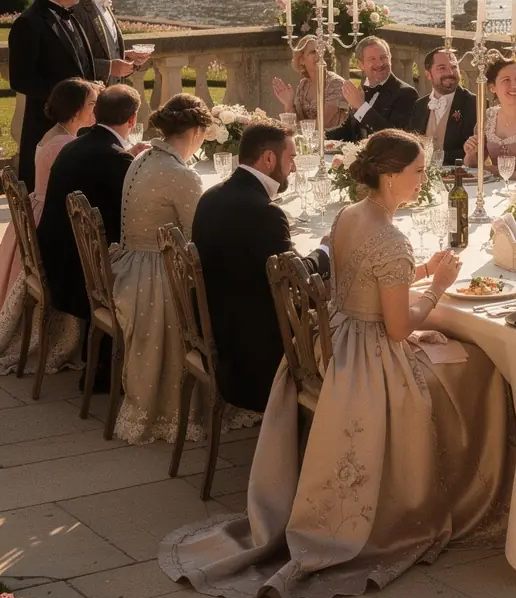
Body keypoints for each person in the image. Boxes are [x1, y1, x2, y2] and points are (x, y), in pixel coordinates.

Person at [159, 130, 514, 598]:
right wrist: (438, 286)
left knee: (449, 352)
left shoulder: (350, 214)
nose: (423, 180)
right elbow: (397, 328)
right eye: (418, 171)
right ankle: (461, 498)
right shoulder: (390, 237)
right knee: (478, 371)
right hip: (367, 358)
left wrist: (424, 269)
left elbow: (362, 281)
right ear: (390, 176)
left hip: (332, 341)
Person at [192, 123, 331, 413]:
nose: (292, 168)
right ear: (269, 159)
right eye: (290, 158)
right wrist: (325, 251)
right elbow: (295, 281)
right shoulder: (265, 213)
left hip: (217, 331)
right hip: (256, 356)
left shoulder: (211, 196)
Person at [110, 95, 214, 445]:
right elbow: (199, 238)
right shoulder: (179, 174)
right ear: (197, 131)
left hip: (130, 267)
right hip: (155, 280)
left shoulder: (143, 159)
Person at [0, 78, 100, 375]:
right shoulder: (64, 144)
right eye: (93, 104)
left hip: (39, 206)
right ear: (77, 109)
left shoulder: (55, 134)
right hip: (51, 217)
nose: (96, 110)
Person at [37, 85, 142, 325]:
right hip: (78, 275)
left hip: (54, 256)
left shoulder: (74, 145)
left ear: (97, 113)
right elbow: (127, 218)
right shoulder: (115, 158)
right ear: (133, 119)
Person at [9, 0, 96, 190]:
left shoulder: (72, 15)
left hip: (79, 130)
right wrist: (70, 96)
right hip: (45, 128)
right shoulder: (28, 23)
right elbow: (21, 80)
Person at [71, 0, 148, 86]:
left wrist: (125, 57)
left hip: (109, 99)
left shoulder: (104, 3)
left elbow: (102, 51)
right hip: (89, 100)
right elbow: (70, 59)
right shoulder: (75, 6)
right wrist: (109, 67)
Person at [325, 36, 417, 142]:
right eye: (372, 59)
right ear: (361, 65)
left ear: (390, 58)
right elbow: (349, 130)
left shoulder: (406, 94)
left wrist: (361, 107)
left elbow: (395, 139)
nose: (380, 63)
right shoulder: (363, 90)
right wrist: (319, 137)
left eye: (383, 57)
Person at [410, 47, 477, 166]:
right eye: (442, 68)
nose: (450, 73)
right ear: (428, 74)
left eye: (454, 67)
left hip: (459, 177)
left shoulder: (474, 103)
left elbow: (476, 151)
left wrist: (436, 156)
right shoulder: (419, 105)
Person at [272, 35, 347, 130]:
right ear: (302, 60)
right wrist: (288, 104)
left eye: (320, 50)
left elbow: (321, 124)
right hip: (308, 142)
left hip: (333, 140)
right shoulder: (303, 85)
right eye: (313, 52)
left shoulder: (335, 83)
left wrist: (290, 126)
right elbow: (295, 121)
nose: (319, 55)